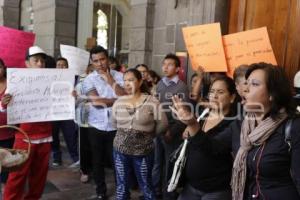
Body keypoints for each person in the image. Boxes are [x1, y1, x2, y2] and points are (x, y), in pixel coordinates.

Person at [171, 62, 300, 200]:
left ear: (272, 94)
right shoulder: (240, 125)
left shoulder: (293, 127)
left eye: (254, 84)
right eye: (246, 83)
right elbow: (212, 147)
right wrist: (192, 124)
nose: (246, 89)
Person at [3, 46, 53, 200]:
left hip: (45, 137)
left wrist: (70, 95)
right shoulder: (16, 82)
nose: (39, 64)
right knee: (17, 176)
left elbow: (61, 103)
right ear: (27, 63)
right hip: (24, 137)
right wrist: (5, 103)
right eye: (36, 60)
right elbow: (5, 109)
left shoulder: (53, 81)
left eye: (42, 62)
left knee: (39, 178)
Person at [177, 76, 237, 200]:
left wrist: (192, 125)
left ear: (232, 97)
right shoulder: (203, 114)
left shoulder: (234, 123)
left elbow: (212, 147)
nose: (214, 96)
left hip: (216, 191)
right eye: (211, 92)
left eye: (220, 92)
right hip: (191, 186)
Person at [112, 68, 168, 200]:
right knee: (121, 187)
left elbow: (163, 123)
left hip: (143, 152)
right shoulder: (119, 102)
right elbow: (113, 123)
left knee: (146, 186)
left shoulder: (151, 101)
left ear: (140, 81)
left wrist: (149, 134)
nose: (127, 84)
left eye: (131, 80)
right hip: (120, 151)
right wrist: (126, 132)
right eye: (125, 81)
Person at [82, 45, 126, 199]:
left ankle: (122, 191)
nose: (100, 63)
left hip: (116, 125)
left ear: (107, 59)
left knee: (118, 160)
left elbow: (125, 96)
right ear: (92, 62)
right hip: (96, 126)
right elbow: (96, 102)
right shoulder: (88, 80)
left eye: (102, 59)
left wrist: (111, 80)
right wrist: (117, 100)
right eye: (96, 61)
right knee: (97, 160)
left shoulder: (120, 76)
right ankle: (101, 191)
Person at [156, 53, 190, 200]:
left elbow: (184, 113)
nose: (165, 67)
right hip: (158, 129)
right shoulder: (160, 84)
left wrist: (172, 131)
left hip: (172, 132)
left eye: (169, 65)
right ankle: (155, 192)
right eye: (164, 64)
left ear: (177, 69)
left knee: (170, 165)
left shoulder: (181, 87)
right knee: (157, 163)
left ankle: (168, 194)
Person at [51, 57, 79, 167]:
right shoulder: (50, 78)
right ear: (55, 67)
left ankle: (75, 157)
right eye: (59, 65)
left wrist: (76, 94)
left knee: (71, 136)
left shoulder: (74, 78)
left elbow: (80, 92)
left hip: (68, 112)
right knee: (54, 136)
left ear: (68, 66)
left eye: (64, 65)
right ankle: (57, 157)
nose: (62, 67)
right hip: (53, 113)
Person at [74, 64, 94, 183]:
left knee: (95, 147)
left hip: (98, 121)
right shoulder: (81, 82)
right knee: (84, 146)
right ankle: (84, 170)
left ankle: (95, 169)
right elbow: (75, 100)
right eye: (90, 71)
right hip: (84, 120)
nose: (92, 73)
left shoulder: (102, 81)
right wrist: (79, 98)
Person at [0, 59, 14, 185]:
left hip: (9, 132)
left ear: (4, 68)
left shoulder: (13, 84)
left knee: (6, 163)